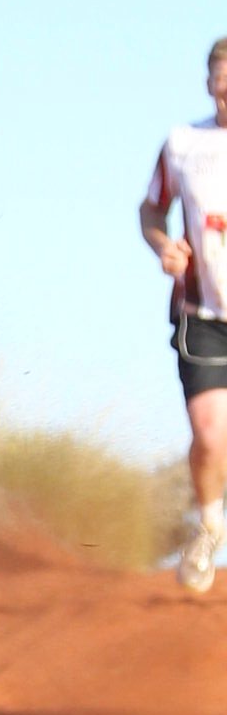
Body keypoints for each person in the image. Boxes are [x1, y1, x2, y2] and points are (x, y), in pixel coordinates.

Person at [140, 39, 227, 593]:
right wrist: (163, 245)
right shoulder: (183, 144)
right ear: (208, 82)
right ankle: (210, 525)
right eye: (220, 77)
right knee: (212, 433)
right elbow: (151, 205)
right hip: (203, 309)